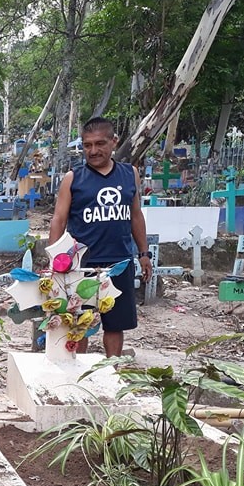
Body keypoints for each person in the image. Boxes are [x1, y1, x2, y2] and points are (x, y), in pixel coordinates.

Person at [49, 116, 152, 358]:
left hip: (119, 261)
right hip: (82, 264)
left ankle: (112, 369)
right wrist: (55, 261)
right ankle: (78, 369)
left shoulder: (130, 174)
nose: (93, 150)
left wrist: (144, 253)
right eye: (87, 145)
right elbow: (59, 220)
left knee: (115, 323)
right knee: (79, 323)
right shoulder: (73, 179)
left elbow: (135, 216)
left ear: (113, 142)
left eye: (100, 144)